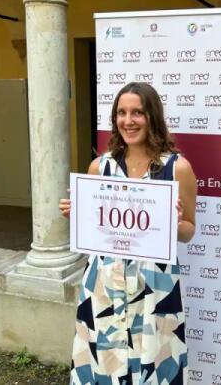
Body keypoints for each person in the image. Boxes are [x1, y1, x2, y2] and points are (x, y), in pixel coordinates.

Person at [59, 82, 197, 385]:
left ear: (152, 116)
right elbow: (96, 225)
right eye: (121, 113)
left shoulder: (177, 169)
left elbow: (188, 231)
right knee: (103, 361)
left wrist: (173, 224)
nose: (128, 120)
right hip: (104, 281)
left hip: (154, 284)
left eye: (137, 112)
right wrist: (78, 214)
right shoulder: (100, 167)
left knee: (154, 363)